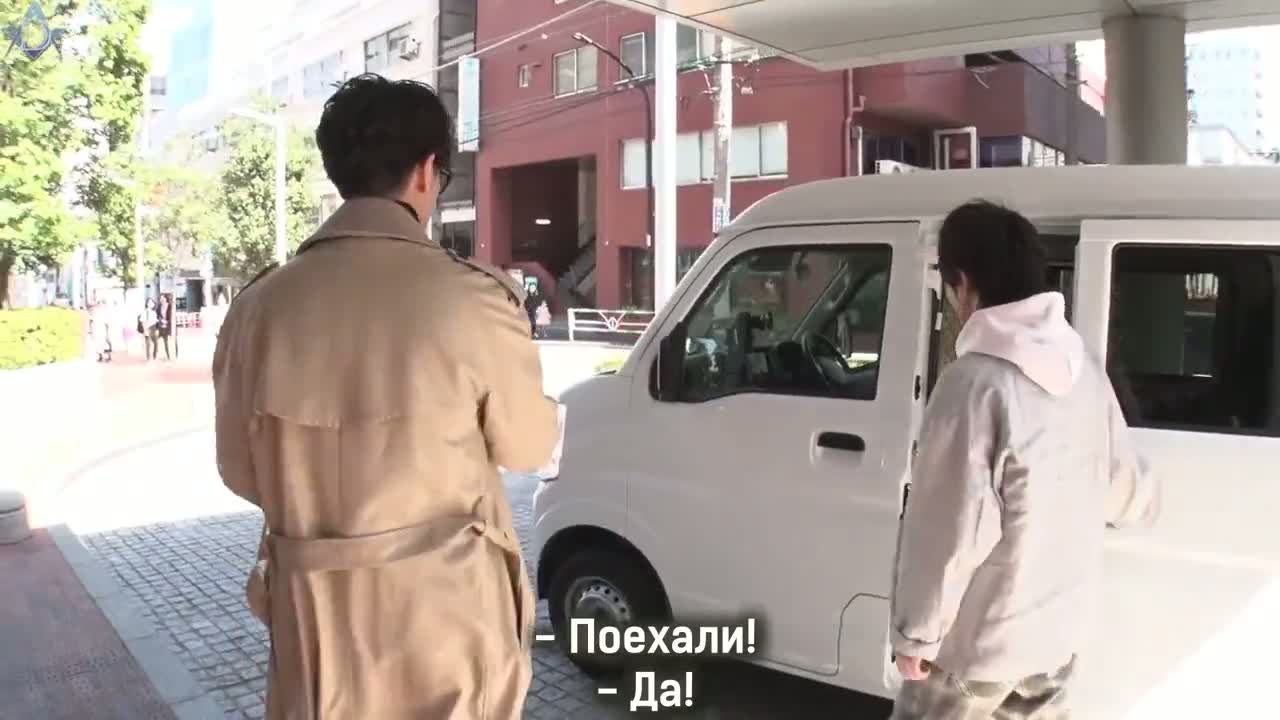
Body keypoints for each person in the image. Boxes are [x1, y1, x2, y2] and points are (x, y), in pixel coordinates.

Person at [212, 74, 559, 720]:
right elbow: (528, 447)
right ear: (427, 171)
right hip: (450, 633)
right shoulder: (475, 299)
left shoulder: (256, 309)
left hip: (316, 637)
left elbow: (238, 470)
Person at [888, 200, 1161, 720]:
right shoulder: (1083, 368)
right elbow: (1126, 491)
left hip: (981, 645)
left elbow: (949, 528)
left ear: (964, 282)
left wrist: (916, 634)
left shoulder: (975, 383)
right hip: (1058, 635)